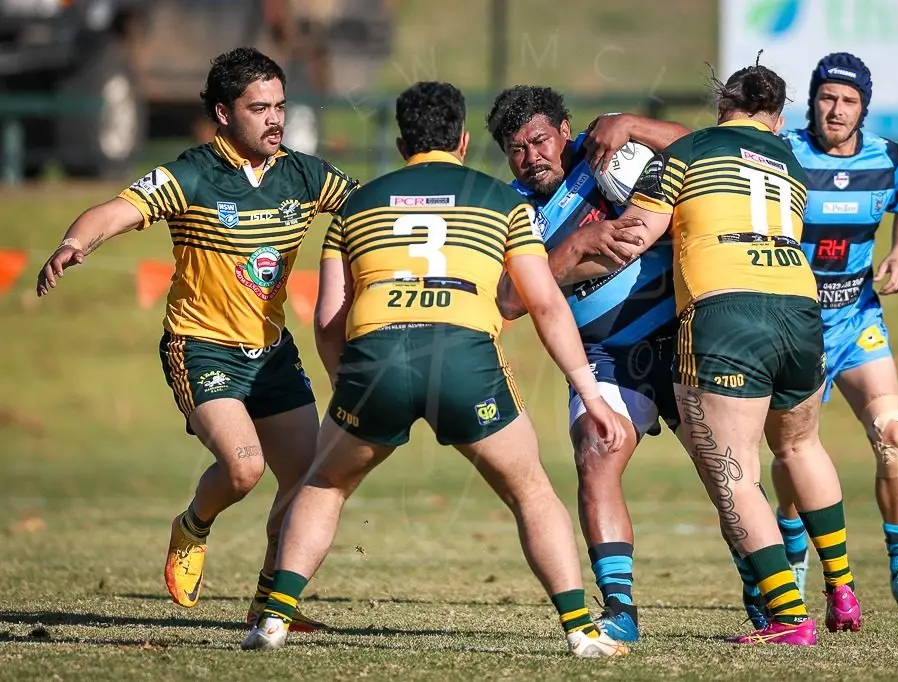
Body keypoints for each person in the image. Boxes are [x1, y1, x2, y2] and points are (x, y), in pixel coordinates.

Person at [241, 81, 629, 658]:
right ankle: (581, 630)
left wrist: (346, 383)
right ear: (465, 140)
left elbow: (327, 319)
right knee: (532, 492)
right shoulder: (504, 201)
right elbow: (546, 304)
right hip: (464, 357)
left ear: (401, 144)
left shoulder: (354, 204)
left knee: (324, 483)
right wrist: (591, 396)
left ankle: (273, 618)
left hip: (376, 357)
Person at [35, 47, 358, 631]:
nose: (275, 119)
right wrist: (73, 244)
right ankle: (193, 526)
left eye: (280, 105)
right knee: (242, 468)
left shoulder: (305, 174)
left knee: (308, 479)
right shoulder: (190, 174)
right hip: (200, 346)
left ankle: (271, 604)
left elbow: (371, 211)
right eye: (259, 108)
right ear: (224, 113)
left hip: (272, 353)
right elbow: (115, 210)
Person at [568, 59, 865, 645]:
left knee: (736, 475)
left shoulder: (686, 153)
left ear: (721, 106)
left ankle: (787, 619)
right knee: (801, 446)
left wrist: (550, 270)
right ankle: (843, 587)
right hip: (801, 306)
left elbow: (631, 240)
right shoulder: (790, 162)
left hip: (727, 313)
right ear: (776, 119)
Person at [485, 86, 689, 643]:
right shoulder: (508, 208)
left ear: (565, 130)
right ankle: (620, 611)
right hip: (604, 355)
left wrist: (633, 122)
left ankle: (769, 596)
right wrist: (573, 250)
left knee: (727, 471)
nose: (531, 156)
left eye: (540, 140)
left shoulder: (607, 156)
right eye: (516, 148)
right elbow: (505, 300)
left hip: (680, 334)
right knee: (596, 453)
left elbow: (703, 151)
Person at [767, 53, 898, 612]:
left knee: (894, 434)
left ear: (863, 106)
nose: (836, 109)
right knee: (793, 448)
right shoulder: (785, 154)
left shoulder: (887, 158)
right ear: (812, 100)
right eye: (826, 97)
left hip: (858, 322)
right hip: (795, 327)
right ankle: (793, 558)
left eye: (848, 100)